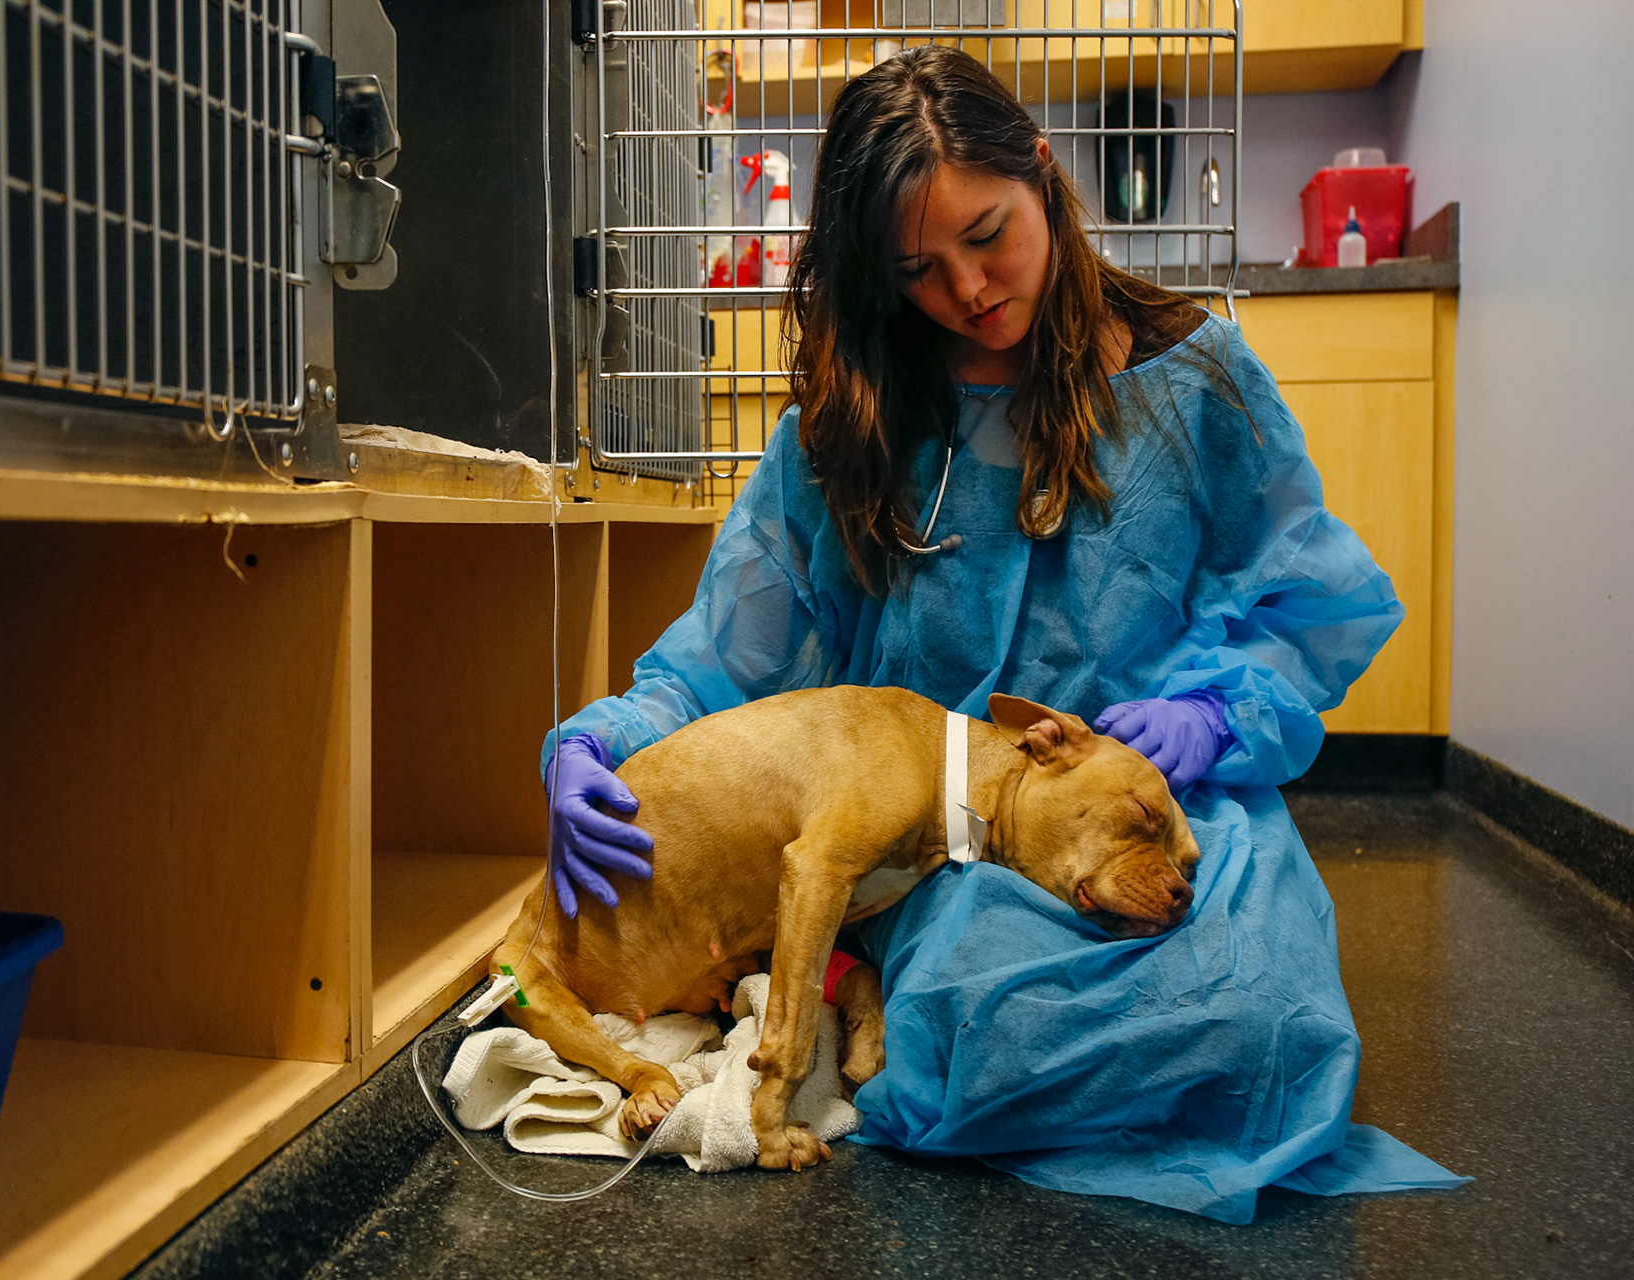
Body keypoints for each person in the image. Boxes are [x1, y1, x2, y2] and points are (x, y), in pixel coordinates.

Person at [540, 46, 1463, 1222]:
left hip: (1153, 803)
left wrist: (1214, 709)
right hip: (942, 837)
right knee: (964, 1042)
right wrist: (601, 742)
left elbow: (1303, 600)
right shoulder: (853, 422)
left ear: (1041, 171)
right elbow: (736, 649)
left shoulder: (1198, 382)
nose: (967, 290)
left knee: (1262, 1023)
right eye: (917, 269)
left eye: (988, 235)